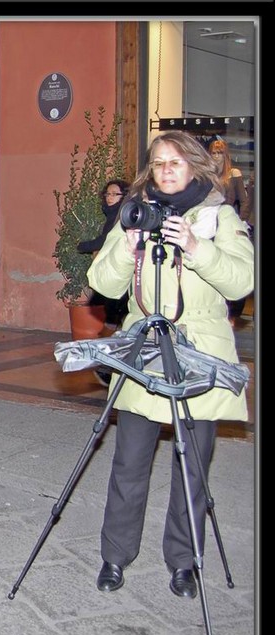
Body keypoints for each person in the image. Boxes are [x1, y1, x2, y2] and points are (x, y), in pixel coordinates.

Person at [88, 130, 253, 598]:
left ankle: (184, 562)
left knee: (193, 469)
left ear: (196, 167)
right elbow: (102, 281)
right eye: (159, 162)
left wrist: (198, 250)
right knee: (128, 462)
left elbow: (242, 280)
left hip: (199, 353)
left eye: (175, 162)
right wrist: (127, 243)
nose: (166, 170)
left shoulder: (218, 218)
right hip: (145, 351)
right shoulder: (135, 213)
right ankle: (115, 556)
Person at [77, 179, 131, 386]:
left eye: (114, 194)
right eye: (107, 194)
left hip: (121, 279)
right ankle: (107, 366)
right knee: (117, 322)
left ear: (124, 196)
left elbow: (106, 240)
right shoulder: (113, 215)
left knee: (117, 323)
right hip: (116, 278)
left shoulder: (121, 217)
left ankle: (107, 366)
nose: (109, 198)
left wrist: (82, 245)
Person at [208, 139, 252, 321]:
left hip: (227, 221)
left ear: (225, 155)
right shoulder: (206, 174)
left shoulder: (233, 174)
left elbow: (244, 200)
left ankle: (233, 314)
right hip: (209, 222)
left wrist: (242, 221)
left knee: (231, 266)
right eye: (214, 153)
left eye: (219, 153)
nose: (216, 157)